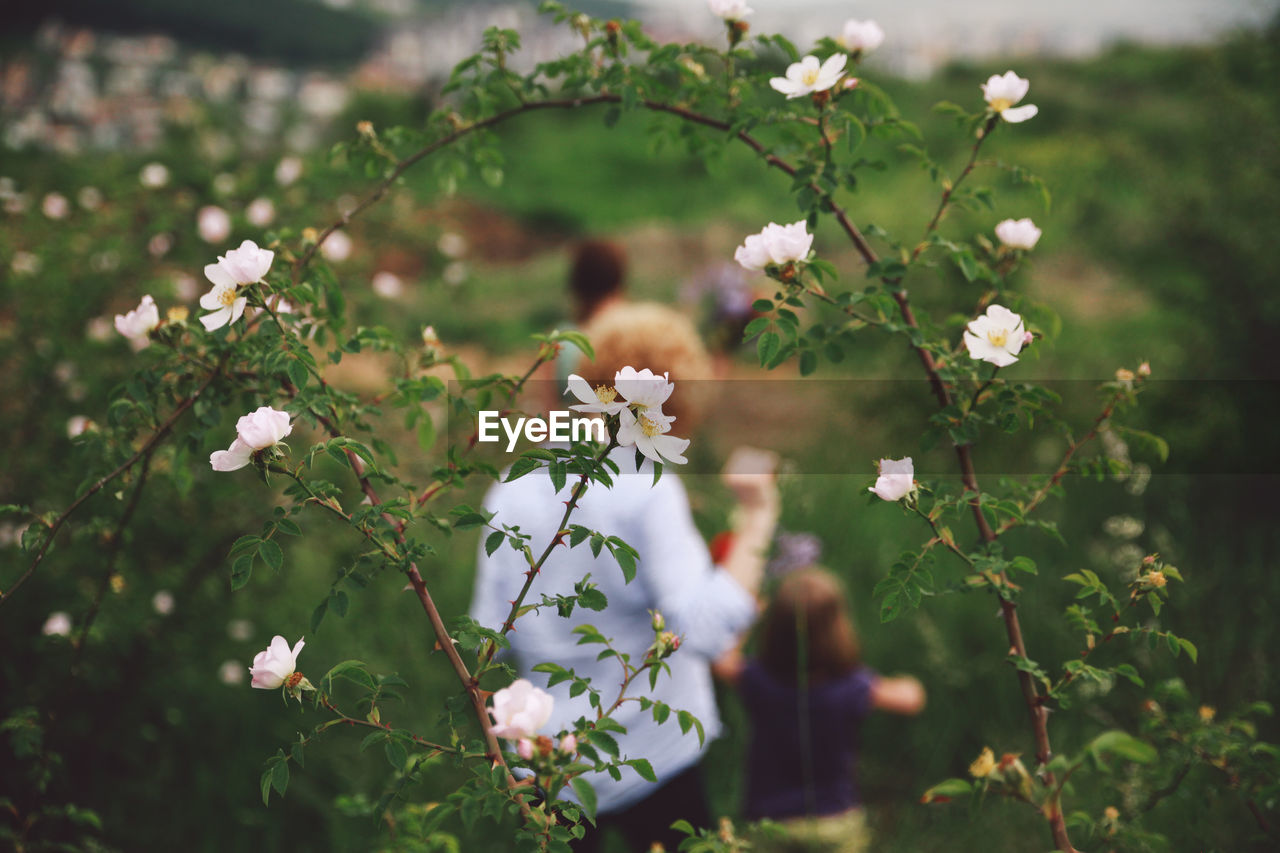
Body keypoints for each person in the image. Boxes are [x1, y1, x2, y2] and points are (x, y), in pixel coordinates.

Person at [470, 302, 780, 852]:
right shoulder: (648, 488)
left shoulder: (510, 488)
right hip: (656, 751)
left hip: (552, 763)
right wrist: (757, 517)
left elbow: (487, 635)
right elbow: (705, 631)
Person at [714, 568, 926, 853]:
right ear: (839, 629)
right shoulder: (853, 687)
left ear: (774, 629)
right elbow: (912, 699)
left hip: (768, 823)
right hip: (835, 821)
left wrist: (749, 616)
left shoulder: (758, 680)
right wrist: (906, 683)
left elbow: (722, 660)